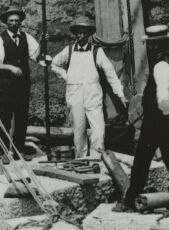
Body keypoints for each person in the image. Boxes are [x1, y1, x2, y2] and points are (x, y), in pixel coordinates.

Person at [123, 25, 169, 209]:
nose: (149, 48)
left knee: (142, 162)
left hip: (157, 120)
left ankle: (129, 201)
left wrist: (165, 116)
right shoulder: (165, 61)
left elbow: (163, 95)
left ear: (157, 45)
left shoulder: (161, 65)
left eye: (151, 44)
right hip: (160, 120)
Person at [45, 17, 126, 160]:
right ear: (75, 34)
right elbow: (54, 64)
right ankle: (81, 159)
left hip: (93, 93)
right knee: (79, 130)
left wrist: (120, 93)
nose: (81, 36)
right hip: (74, 93)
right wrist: (66, 76)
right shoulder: (68, 50)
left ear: (88, 34)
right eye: (78, 33)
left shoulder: (97, 51)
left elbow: (110, 73)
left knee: (98, 130)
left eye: (84, 33)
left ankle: (97, 159)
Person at [0, 5, 45, 154]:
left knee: (21, 118)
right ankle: (3, 152)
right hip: (6, 86)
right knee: (5, 118)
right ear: (6, 22)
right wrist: (11, 68)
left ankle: (19, 150)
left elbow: (36, 56)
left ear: (20, 22)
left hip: (23, 86)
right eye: (11, 20)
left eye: (16, 20)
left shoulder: (27, 37)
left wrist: (42, 43)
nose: (14, 23)